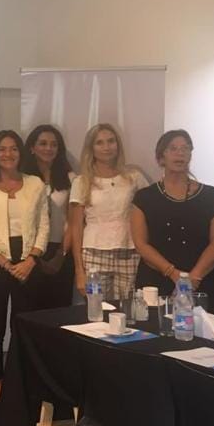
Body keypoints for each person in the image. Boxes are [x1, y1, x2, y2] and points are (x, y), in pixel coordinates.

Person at [0, 130, 49, 401]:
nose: (8, 154)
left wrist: (31, 260)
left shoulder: (35, 184)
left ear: (21, 152)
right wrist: (5, 263)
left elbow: (43, 225)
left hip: (28, 261)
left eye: (13, 148)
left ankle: (20, 376)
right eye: (2, 149)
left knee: (23, 323)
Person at [131, 130, 214, 314]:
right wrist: (173, 273)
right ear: (161, 157)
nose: (180, 153)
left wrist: (192, 279)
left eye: (185, 148)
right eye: (173, 148)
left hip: (203, 278)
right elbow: (141, 244)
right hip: (158, 277)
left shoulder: (211, 196)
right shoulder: (144, 197)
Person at [68, 123, 148, 302]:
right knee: (95, 309)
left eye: (111, 141)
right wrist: (79, 270)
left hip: (129, 251)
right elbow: (76, 227)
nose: (107, 147)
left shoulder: (134, 177)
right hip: (93, 253)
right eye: (100, 143)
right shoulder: (81, 182)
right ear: (91, 148)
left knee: (127, 309)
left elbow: (149, 212)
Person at [20, 124, 76, 309]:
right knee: (29, 309)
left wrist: (60, 255)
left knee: (59, 310)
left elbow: (73, 221)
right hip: (29, 251)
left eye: (54, 144)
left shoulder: (70, 178)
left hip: (60, 248)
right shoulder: (22, 179)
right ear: (32, 147)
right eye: (43, 143)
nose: (48, 148)